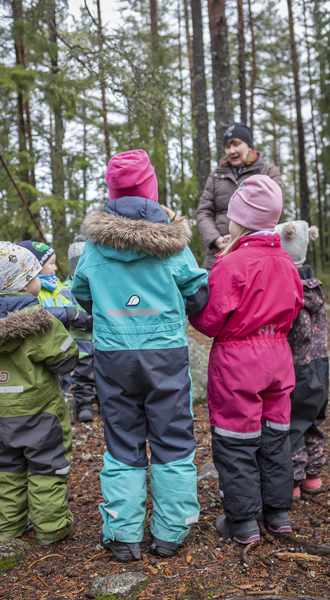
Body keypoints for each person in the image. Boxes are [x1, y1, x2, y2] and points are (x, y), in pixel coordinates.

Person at [72, 149, 209, 562]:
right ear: (151, 190)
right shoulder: (172, 243)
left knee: (122, 440)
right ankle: (171, 531)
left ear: (112, 192)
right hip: (164, 352)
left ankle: (124, 532)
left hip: (114, 354)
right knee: (172, 438)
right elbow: (198, 293)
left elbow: (80, 292)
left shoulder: (95, 247)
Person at [189, 175, 304, 544]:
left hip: (239, 360)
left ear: (240, 219)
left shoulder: (233, 263)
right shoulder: (286, 262)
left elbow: (210, 320)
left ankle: (243, 522)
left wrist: (195, 309)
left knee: (236, 440)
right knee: (275, 437)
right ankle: (278, 513)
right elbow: (295, 307)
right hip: (278, 356)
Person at [0, 241, 79, 546]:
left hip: (0, 416)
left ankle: (5, 529)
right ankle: (52, 528)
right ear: (27, 281)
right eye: (36, 273)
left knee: (8, 472)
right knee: (47, 469)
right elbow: (66, 360)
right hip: (42, 415)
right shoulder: (40, 324)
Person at [274, 221, 328, 499]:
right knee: (312, 420)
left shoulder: (286, 288)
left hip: (295, 369)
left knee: (291, 423)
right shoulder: (314, 288)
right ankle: (313, 478)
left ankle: (293, 483)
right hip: (320, 366)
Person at [18, 240, 93, 421]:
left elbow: (75, 308)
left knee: (63, 386)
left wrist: (81, 316)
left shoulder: (59, 288)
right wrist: (68, 314)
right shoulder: (33, 290)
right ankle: (48, 423)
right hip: (42, 352)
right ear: (34, 267)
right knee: (46, 388)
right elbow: (35, 314)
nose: (54, 268)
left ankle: (61, 423)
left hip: (62, 349)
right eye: (50, 263)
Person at [196, 122, 282, 272]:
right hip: (219, 252)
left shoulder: (268, 171)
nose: (231, 151)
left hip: (256, 252)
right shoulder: (216, 175)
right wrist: (216, 238)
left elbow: (272, 209)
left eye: (236, 144)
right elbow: (204, 212)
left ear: (248, 145)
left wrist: (239, 236)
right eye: (228, 147)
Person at [61, 235, 97, 423]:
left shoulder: (99, 285)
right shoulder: (65, 289)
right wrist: (86, 319)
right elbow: (69, 314)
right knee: (82, 376)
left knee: (103, 373)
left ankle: (102, 401)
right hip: (80, 344)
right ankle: (83, 404)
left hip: (100, 342)